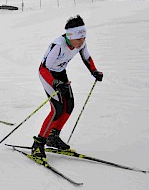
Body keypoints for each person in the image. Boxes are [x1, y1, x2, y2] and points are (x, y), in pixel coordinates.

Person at [31, 15, 103, 159]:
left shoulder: (80, 43)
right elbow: (45, 68)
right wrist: (55, 83)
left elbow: (86, 57)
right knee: (57, 109)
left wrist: (94, 71)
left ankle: (53, 136)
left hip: (60, 73)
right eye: (79, 39)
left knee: (69, 106)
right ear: (70, 36)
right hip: (47, 75)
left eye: (83, 38)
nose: (82, 42)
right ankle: (38, 144)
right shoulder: (58, 45)